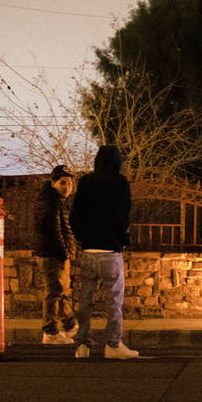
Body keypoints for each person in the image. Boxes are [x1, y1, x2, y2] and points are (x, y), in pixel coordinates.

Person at [70, 145, 138, 360]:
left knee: (85, 300)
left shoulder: (86, 182)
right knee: (114, 301)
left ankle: (82, 345)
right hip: (110, 249)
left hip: (89, 249)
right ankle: (113, 344)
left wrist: (83, 237)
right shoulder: (120, 183)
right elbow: (122, 215)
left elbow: (75, 215)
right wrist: (122, 238)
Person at [33, 164, 79, 345]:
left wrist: (67, 250)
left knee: (62, 291)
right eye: (63, 183)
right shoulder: (49, 203)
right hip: (52, 255)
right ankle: (51, 332)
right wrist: (64, 251)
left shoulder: (57, 201)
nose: (67, 187)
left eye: (69, 183)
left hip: (57, 254)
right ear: (53, 183)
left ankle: (68, 326)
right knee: (53, 293)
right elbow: (52, 231)